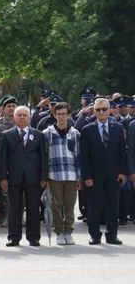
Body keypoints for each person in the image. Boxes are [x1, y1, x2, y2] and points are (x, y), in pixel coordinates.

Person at [0, 106, 48, 246]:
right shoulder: (7, 135)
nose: (21, 117)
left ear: (29, 117)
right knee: (14, 209)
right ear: (14, 117)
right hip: (14, 177)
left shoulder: (38, 135)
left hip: (34, 178)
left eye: (24, 115)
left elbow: (44, 157)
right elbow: (2, 158)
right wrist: (3, 178)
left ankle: (33, 238)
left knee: (33, 208)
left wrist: (44, 177)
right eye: (19, 115)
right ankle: (14, 237)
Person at [80, 98, 127, 245]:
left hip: (113, 174)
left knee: (113, 206)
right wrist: (86, 176)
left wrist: (123, 172)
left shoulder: (118, 128)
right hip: (94, 175)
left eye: (104, 109)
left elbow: (122, 152)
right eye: (98, 109)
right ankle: (95, 235)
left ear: (110, 110)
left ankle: (112, 235)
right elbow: (84, 156)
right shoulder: (87, 130)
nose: (101, 112)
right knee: (94, 206)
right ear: (94, 111)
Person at [42, 102, 81, 245]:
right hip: (54, 174)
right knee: (56, 205)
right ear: (54, 115)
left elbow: (79, 156)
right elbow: (44, 157)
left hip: (71, 175)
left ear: (69, 115)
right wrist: (44, 177)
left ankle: (68, 231)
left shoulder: (76, 134)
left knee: (70, 204)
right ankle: (59, 231)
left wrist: (79, 177)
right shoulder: (47, 134)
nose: (62, 117)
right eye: (58, 114)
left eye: (64, 114)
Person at [0, 96, 17, 227]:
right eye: (9, 106)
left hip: (19, 162)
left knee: (20, 192)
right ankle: (4, 215)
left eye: (13, 106)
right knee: (3, 191)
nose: (11, 109)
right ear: (4, 109)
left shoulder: (24, 123)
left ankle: (16, 216)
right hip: (3, 162)